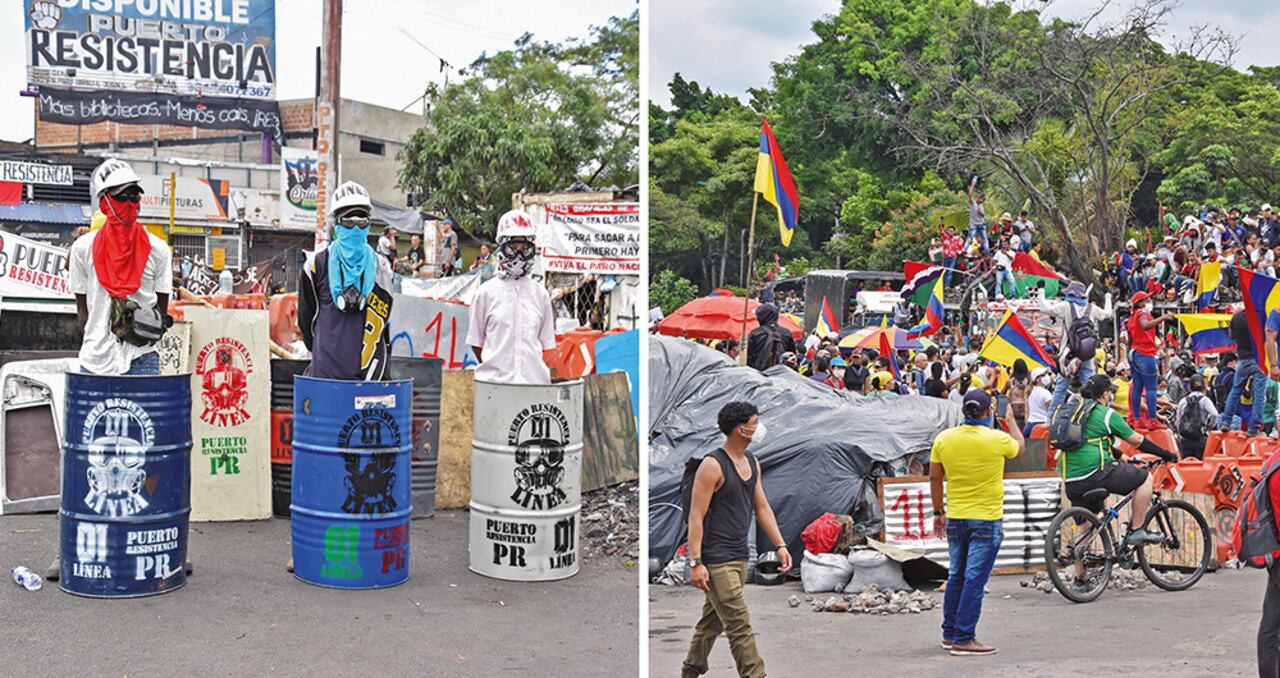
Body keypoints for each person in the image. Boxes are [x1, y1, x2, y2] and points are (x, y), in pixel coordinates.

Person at [683, 402, 790, 678]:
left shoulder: (752, 462)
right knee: (739, 625)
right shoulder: (712, 465)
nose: (759, 426)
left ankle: (690, 671)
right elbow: (696, 516)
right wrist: (696, 562)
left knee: (712, 622)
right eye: (755, 421)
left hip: (739, 557)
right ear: (741, 429)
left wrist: (780, 545)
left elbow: (762, 507)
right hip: (716, 559)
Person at [1058, 375, 1178, 585]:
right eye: (1110, 392)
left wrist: (1122, 457)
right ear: (1105, 395)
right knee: (1144, 479)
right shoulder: (1105, 414)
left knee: (1086, 527)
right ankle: (1136, 529)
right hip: (1096, 472)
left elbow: (1089, 441)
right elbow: (1137, 440)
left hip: (1071, 478)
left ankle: (1080, 580)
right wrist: (1167, 454)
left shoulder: (1077, 414)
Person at [929, 390, 1024, 656]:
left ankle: (950, 634)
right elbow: (1020, 447)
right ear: (987, 412)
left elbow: (935, 478)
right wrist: (1011, 420)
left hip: (955, 517)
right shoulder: (997, 439)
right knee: (974, 580)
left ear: (963, 411)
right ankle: (964, 637)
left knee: (956, 576)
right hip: (986, 518)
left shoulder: (944, 439)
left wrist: (938, 512)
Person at [71, 158, 173, 377]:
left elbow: (162, 310)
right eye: (120, 196)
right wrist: (98, 334)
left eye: (134, 195)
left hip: (141, 358)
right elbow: (82, 308)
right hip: (95, 360)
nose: (129, 202)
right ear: (104, 202)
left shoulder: (159, 250)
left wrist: (143, 333)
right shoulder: (82, 249)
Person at [298, 181, 395, 381]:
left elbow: (384, 324)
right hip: (326, 377)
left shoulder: (382, 268)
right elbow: (306, 321)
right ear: (336, 225)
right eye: (348, 221)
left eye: (362, 221)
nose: (356, 228)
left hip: (370, 376)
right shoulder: (315, 267)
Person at [467, 209, 556, 385]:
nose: (519, 254)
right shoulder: (485, 293)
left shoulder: (540, 295)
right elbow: (476, 343)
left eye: (525, 248)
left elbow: (547, 345)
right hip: (494, 386)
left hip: (533, 386)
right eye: (513, 247)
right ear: (502, 248)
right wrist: (497, 370)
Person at [1042, 281, 1111, 414]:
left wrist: (1040, 291)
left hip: (1069, 353)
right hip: (1087, 352)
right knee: (1090, 383)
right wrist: (1108, 297)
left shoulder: (1065, 306)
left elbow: (1044, 309)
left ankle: (1051, 418)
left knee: (1061, 387)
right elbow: (1107, 314)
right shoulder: (1092, 308)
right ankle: (1094, 414)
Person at [1126, 291, 1174, 428]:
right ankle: (1153, 420)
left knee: (1137, 388)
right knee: (1151, 389)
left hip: (1134, 353)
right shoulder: (1142, 313)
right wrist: (1163, 318)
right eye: (1147, 299)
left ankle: (1137, 419)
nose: (1149, 301)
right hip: (1145, 353)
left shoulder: (1131, 317)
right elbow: (1145, 325)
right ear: (1140, 303)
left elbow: (1130, 339)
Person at [1222, 309, 1268, 435]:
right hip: (1259, 359)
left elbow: (1231, 336)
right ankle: (1253, 428)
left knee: (1236, 391)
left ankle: (1226, 421)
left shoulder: (1236, 317)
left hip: (1243, 359)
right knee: (1259, 396)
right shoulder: (1262, 316)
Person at [1174, 374, 1218, 460]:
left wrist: (1180, 433)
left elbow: (1178, 419)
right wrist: (1210, 426)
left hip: (1185, 438)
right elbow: (1214, 414)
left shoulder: (1183, 401)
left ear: (1189, 387)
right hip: (1200, 437)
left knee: (1186, 463)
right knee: (1200, 463)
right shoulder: (1205, 400)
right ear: (1203, 386)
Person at [746, 303, 796, 371]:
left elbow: (749, 359)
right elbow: (792, 355)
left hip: (760, 375)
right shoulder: (786, 333)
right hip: (783, 375)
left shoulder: (754, 334)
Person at [1024, 368, 1053, 437]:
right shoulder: (1045, 393)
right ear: (1037, 379)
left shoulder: (1029, 391)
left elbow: (1026, 411)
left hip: (1029, 425)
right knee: (1040, 448)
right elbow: (1051, 410)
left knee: (1029, 447)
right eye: (1043, 375)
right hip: (1041, 427)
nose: (1046, 376)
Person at [967, 177, 988, 253]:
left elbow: (982, 214)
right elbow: (970, 195)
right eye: (980, 198)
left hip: (981, 224)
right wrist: (973, 184)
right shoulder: (973, 203)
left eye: (982, 199)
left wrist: (980, 206)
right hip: (973, 225)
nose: (980, 200)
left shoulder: (981, 206)